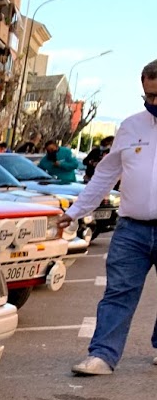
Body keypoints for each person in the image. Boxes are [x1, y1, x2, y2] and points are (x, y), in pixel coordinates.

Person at [59, 60, 157, 376]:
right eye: (148, 96)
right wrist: (73, 212)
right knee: (118, 292)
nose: (153, 103)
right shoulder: (130, 127)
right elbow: (105, 176)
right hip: (132, 230)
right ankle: (102, 355)